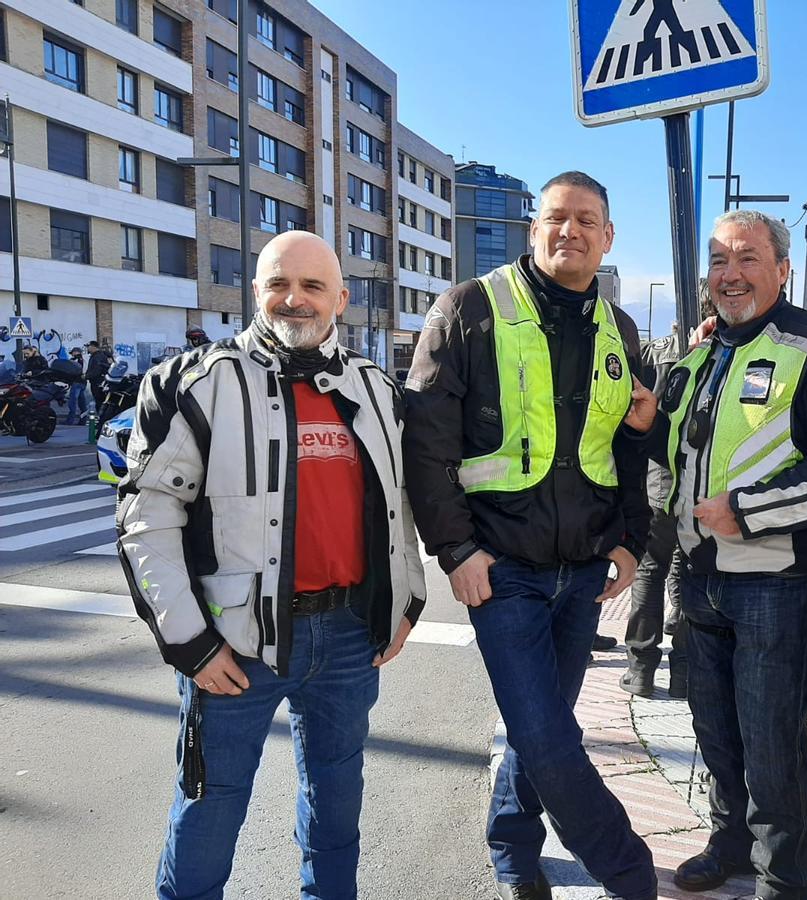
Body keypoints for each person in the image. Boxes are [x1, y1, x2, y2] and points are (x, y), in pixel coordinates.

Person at [116, 230, 426, 900]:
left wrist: (406, 603)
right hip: (233, 645)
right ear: (255, 292)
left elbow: (400, 506)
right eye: (279, 284)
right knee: (210, 810)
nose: (295, 300)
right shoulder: (196, 383)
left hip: (348, 639)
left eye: (313, 286)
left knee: (338, 808)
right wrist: (191, 644)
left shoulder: (376, 390)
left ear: (340, 298)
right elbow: (146, 517)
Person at [403, 171, 656, 900]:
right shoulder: (469, 307)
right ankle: (628, 872)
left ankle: (513, 853)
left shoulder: (621, 329)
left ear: (607, 236)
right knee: (547, 735)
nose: (568, 232)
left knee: (536, 727)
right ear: (533, 228)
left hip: (581, 573)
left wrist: (629, 540)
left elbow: (631, 447)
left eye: (586, 221)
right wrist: (456, 550)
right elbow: (426, 439)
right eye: (555, 218)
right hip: (501, 566)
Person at [626, 209, 807, 899]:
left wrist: (749, 511)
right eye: (720, 261)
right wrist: (659, 512)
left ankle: (785, 877)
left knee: (772, 743)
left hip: (774, 585)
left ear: (782, 269)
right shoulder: (700, 355)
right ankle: (729, 843)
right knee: (717, 732)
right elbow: (666, 449)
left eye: (748, 258)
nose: (730, 275)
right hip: (695, 577)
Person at [620, 320, 690, 698]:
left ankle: (641, 669)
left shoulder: (656, 351)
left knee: (650, 569)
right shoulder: (718, 350)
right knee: (687, 568)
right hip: (699, 474)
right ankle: (683, 673)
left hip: (659, 475)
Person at [84, 339, 112, 409]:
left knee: (99, 401)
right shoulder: (94, 356)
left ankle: (101, 417)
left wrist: (86, 376)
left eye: (88, 346)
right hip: (96, 382)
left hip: (98, 382)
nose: (87, 348)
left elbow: (97, 370)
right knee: (98, 401)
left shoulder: (98, 356)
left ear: (93, 347)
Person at [64, 347, 87, 425]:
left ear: (76, 352)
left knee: (72, 402)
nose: (72, 354)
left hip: (77, 382)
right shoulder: (83, 360)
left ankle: (70, 420)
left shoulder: (76, 360)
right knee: (82, 403)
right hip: (82, 382)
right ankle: (83, 420)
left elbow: (73, 371)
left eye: (73, 353)